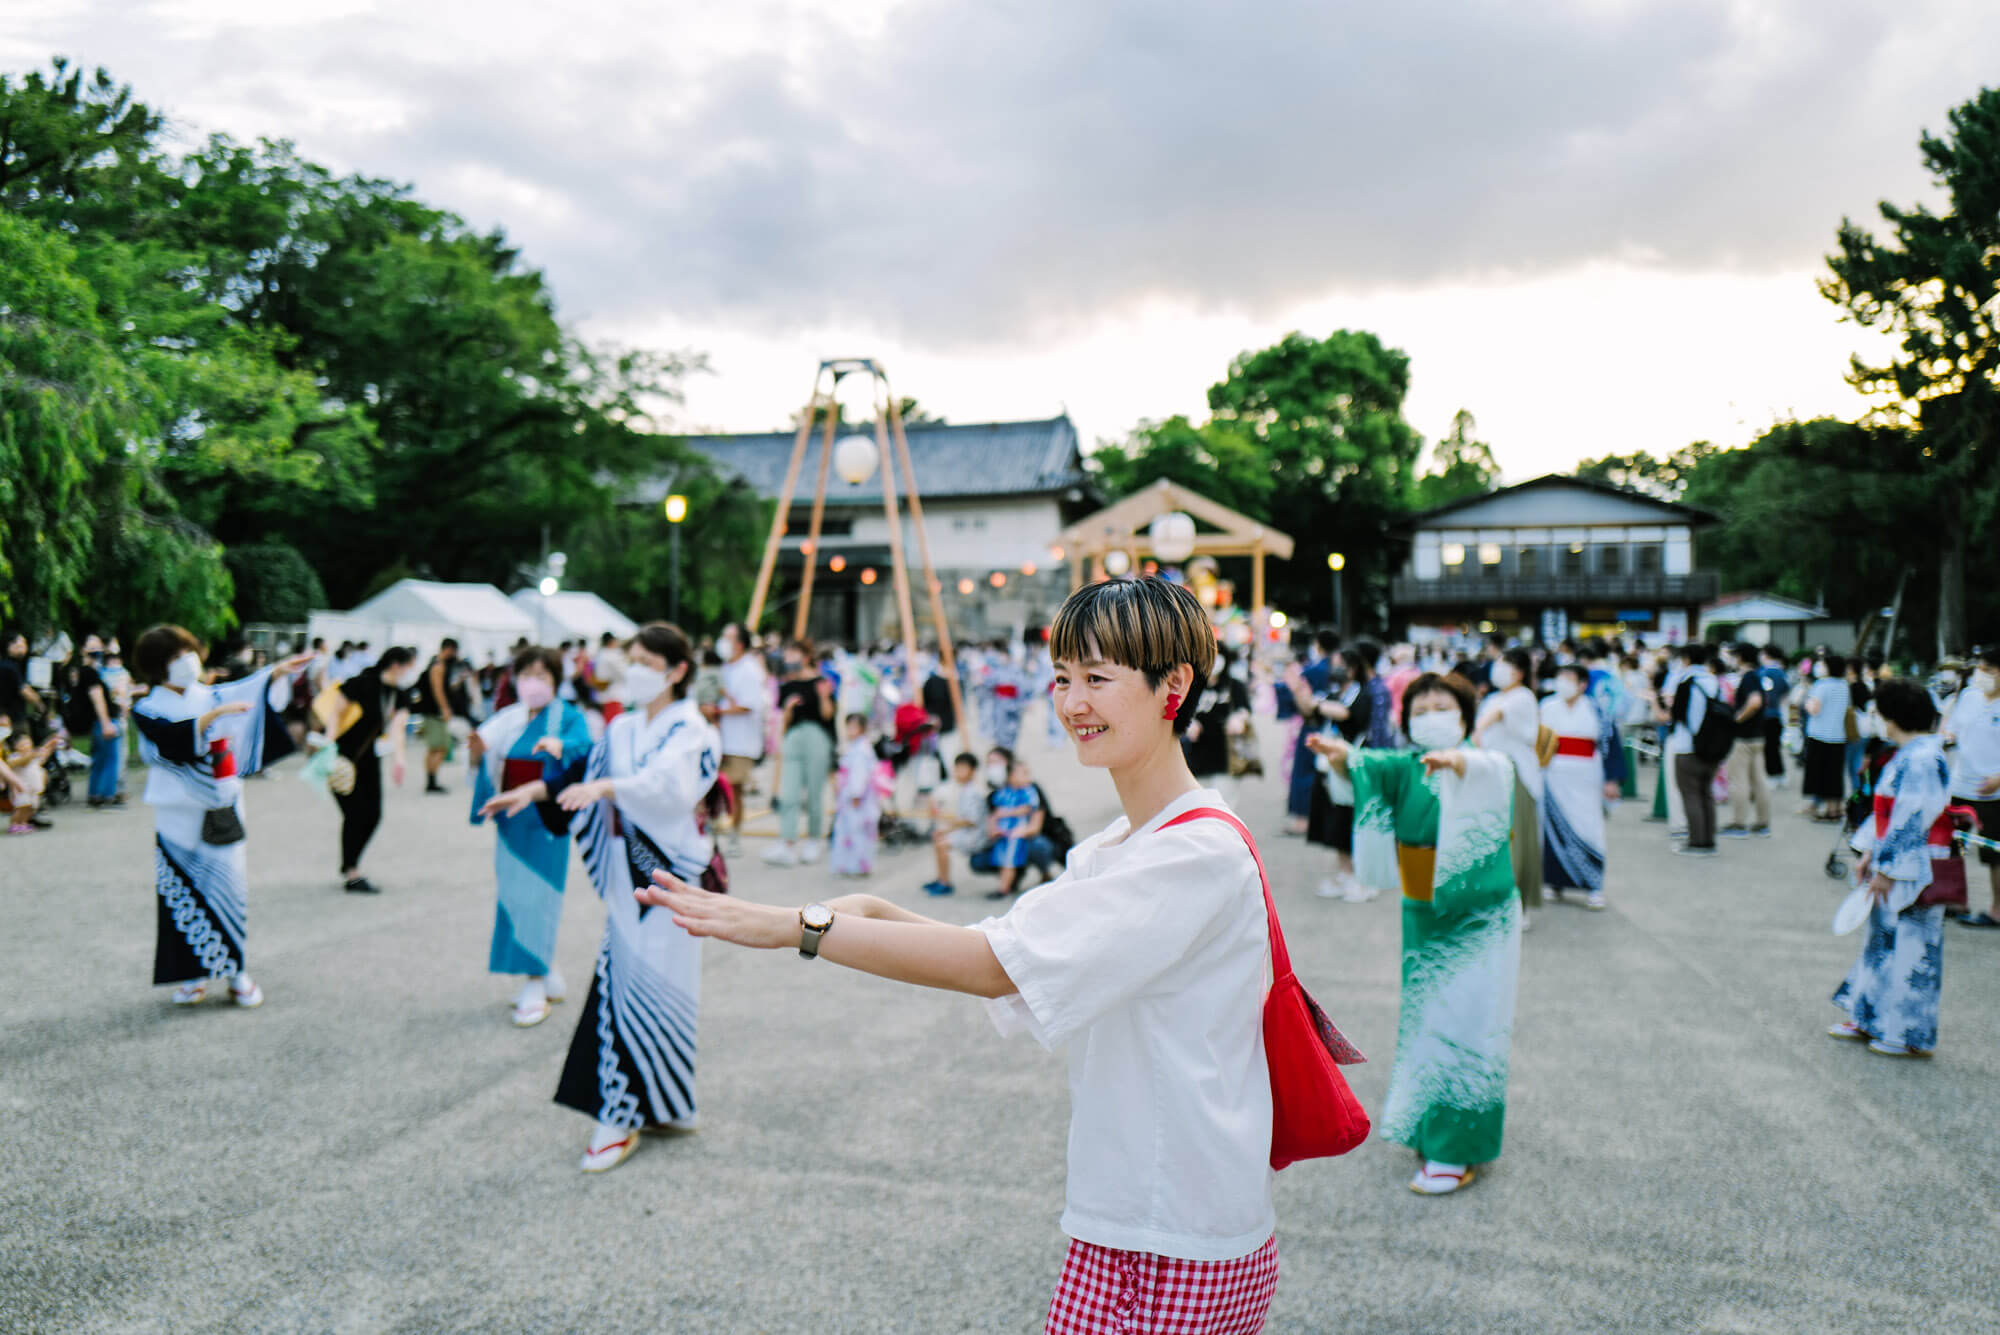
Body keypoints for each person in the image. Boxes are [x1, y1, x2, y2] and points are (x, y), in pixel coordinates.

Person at [638, 577, 1281, 1330]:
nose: (1073, 702)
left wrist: (799, 927)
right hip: (1140, 1219)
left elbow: (995, 966)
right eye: (1063, 678)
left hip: (1176, 1236)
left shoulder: (1190, 853)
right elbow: (1003, 950)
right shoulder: (1122, 842)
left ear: (1175, 684)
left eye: (1098, 678)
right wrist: (872, 909)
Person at [1310, 671, 1518, 1195]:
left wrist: (1461, 763)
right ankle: (1432, 1131)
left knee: (1469, 1024)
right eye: (1419, 709)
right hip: (1423, 912)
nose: (1429, 716)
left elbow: (1499, 771)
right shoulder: (1405, 765)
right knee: (1429, 1024)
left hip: (1477, 917)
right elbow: (1367, 767)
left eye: (1441, 706)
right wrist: (1341, 758)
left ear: (1465, 715)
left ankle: (1458, 1147)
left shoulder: (1484, 764)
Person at [534, 622, 721, 1173]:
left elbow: (672, 790)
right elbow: (587, 768)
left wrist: (609, 788)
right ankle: (662, 1103)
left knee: (658, 985)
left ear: (677, 670)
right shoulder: (624, 727)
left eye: (645, 660)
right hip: (628, 870)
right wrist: (540, 783)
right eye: (632, 658)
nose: (635, 668)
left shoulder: (695, 731)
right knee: (628, 980)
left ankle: (623, 1113)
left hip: (673, 874)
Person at [128, 626, 312, 1007]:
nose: (187, 661)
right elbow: (169, 738)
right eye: (176, 656)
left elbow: (245, 692)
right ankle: (192, 975)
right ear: (158, 666)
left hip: (221, 805)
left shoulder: (209, 694)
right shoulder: (148, 707)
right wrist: (212, 718)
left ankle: (237, 972)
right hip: (176, 813)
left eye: (188, 651)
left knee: (229, 888)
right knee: (182, 891)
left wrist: (276, 673)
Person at [469, 645, 593, 1027]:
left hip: (545, 821)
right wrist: (475, 751)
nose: (533, 684)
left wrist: (562, 745)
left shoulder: (569, 717)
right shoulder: (509, 716)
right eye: (526, 676)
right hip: (511, 820)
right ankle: (546, 966)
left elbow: (586, 750)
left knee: (539, 898)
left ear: (556, 680)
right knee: (513, 897)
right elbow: (482, 749)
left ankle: (535, 981)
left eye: (542, 676)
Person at [1830, 679, 1952, 1056]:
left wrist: (1886, 866)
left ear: (1892, 717)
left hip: (1918, 865)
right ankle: (1871, 1018)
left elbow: (1911, 819)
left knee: (1912, 950)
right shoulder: (1911, 754)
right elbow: (1890, 815)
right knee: (1883, 944)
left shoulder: (1921, 759)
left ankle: (1906, 1034)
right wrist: (1871, 852)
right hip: (1900, 860)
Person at [320, 646, 417, 895]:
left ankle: (350, 865)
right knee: (354, 814)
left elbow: (398, 727)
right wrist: (328, 744)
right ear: (396, 665)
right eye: (409, 666)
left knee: (373, 815)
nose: (410, 671)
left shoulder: (399, 694)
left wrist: (400, 759)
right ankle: (352, 872)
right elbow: (336, 712)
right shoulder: (362, 683)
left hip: (368, 759)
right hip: (342, 756)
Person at [1474, 647, 1544, 918]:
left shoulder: (1522, 697)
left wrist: (1479, 730)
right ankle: (1495, 900)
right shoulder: (1494, 697)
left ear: (1519, 672)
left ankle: (1519, 905)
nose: (1499, 668)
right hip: (1491, 771)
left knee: (1517, 839)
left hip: (1516, 773)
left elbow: (1498, 715)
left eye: (1505, 664)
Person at [1540, 662, 1616, 909]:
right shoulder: (1547, 706)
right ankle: (1554, 883)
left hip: (1586, 776)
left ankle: (1594, 886)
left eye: (1569, 678)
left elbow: (1610, 744)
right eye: (1560, 677)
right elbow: (1538, 742)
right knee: (1553, 829)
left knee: (1589, 828)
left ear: (1583, 684)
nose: (1563, 683)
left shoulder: (1597, 709)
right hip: (1553, 775)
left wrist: (1612, 779)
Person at [764, 640, 836, 867]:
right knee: (790, 792)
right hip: (793, 736)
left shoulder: (821, 682)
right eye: (787, 655)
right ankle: (787, 842)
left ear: (805, 656)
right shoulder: (786, 685)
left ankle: (814, 839)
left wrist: (824, 696)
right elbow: (783, 720)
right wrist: (788, 710)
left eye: (793, 654)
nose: (788, 659)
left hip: (817, 736)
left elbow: (828, 716)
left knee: (815, 791)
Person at [1944, 648, 2000, 930]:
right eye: (1981, 668)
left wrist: (1999, 778)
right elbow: (1951, 729)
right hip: (1961, 784)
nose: (1982, 675)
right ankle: (1955, 901)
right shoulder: (1968, 697)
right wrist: (1948, 737)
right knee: (1953, 845)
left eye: (1989, 670)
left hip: (1993, 792)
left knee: (1994, 854)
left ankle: (1997, 910)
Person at [1281, 631, 1339, 835]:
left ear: (1318, 644)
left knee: (1304, 771)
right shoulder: (1338, 668)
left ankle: (1302, 819)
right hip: (1334, 726)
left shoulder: (1312, 671)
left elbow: (1303, 705)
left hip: (1312, 725)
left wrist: (1295, 687)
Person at [714, 623, 764, 856]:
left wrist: (716, 712)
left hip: (740, 741)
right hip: (718, 738)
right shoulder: (723, 667)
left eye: (728, 637)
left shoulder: (750, 670)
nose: (723, 641)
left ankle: (734, 834)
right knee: (712, 787)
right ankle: (711, 829)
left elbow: (747, 705)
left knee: (734, 789)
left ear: (740, 644)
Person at [1668, 644, 1723, 856]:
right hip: (1712, 746)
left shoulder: (1685, 681)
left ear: (1687, 658)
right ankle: (1709, 840)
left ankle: (1697, 842)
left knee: (1690, 794)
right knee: (1706, 793)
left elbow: (1677, 714)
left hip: (1687, 745)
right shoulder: (1714, 681)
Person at [1720, 643, 1773, 838]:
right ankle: (1762, 822)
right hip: (1758, 736)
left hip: (1743, 737)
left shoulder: (1748, 677)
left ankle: (1739, 823)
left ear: (1740, 657)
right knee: (1759, 781)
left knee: (1739, 781)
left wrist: (1736, 719)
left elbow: (1754, 702)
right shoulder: (1757, 676)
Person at [830, 713, 890, 877]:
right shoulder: (856, 747)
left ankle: (857, 865)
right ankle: (853, 865)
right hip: (852, 797)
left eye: (853, 727)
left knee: (857, 832)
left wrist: (856, 794)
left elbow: (859, 775)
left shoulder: (861, 749)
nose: (850, 731)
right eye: (848, 727)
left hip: (858, 799)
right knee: (852, 832)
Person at [923, 752, 985, 896]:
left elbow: (970, 821)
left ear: (972, 772)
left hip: (976, 835)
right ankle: (941, 878)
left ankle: (945, 883)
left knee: (941, 843)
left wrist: (946, 831)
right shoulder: (961, 788)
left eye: (963, 769)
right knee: (938, 840)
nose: (959, 772)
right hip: (966, 830)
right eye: (957, 768)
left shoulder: (974, 792)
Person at [1802, 654, 1853, 821]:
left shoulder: (1821, 685)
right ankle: (1836, 809)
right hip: (1838, 735)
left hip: (1820, 734)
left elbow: (1814, 709)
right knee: (1835, 775)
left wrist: (1806, 703)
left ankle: (1828, 810)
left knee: (1822, 774)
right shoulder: (1844, 685)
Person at [985, 757, 1044, 900]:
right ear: (1010, 776)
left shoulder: (1029, 791)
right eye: (1023, 773)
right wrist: (994, 827)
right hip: (1003, 832)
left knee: (1010, 860)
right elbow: (994, 811)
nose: (1027, 777)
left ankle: (1004, 889)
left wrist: (1005, 812)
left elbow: (1028, 808)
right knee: (1001, 858)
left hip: (1017, 831)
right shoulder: (1004, 792)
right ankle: (1004, 885)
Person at [416, 638, 460, 795]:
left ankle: (431, 780)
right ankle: (431, 781)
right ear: (448, 649)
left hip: (431, 712)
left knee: (434, 748)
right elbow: (438, 689)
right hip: (435, 713)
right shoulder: (439, 665)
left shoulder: (434, 663)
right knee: (440, 747)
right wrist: (445, 709)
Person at [1757, 645, 1791, 787]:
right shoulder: (1782, 673)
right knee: (1775, 747)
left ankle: (1772, 776)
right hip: (1777, 714)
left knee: (1768, 748)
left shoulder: (1763, 672)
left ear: (1766, 655)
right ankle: (1780, 775)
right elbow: (1786, 692)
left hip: (1765, 715)